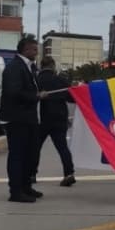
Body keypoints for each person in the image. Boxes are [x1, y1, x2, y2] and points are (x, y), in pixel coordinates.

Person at [1, 38, 50, 203]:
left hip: (29, 119)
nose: (36, 52)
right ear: (25, 50)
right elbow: (13, 92)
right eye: (34, 49)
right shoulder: (14, 67)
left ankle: (26, 186)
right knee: (18, 155)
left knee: (30, 154)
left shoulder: (29, 67)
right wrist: (36, 96)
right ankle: (16, 191)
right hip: (17, 119)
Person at [36, 56, 76, 187]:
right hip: (59, 119)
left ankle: (31, 174)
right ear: (53, 66)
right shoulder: (61, 80)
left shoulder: (36, 80)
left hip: (42, 119)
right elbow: (71, 98)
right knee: (62, 147)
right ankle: (69, 173)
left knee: (35, 148)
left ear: (41, 66)